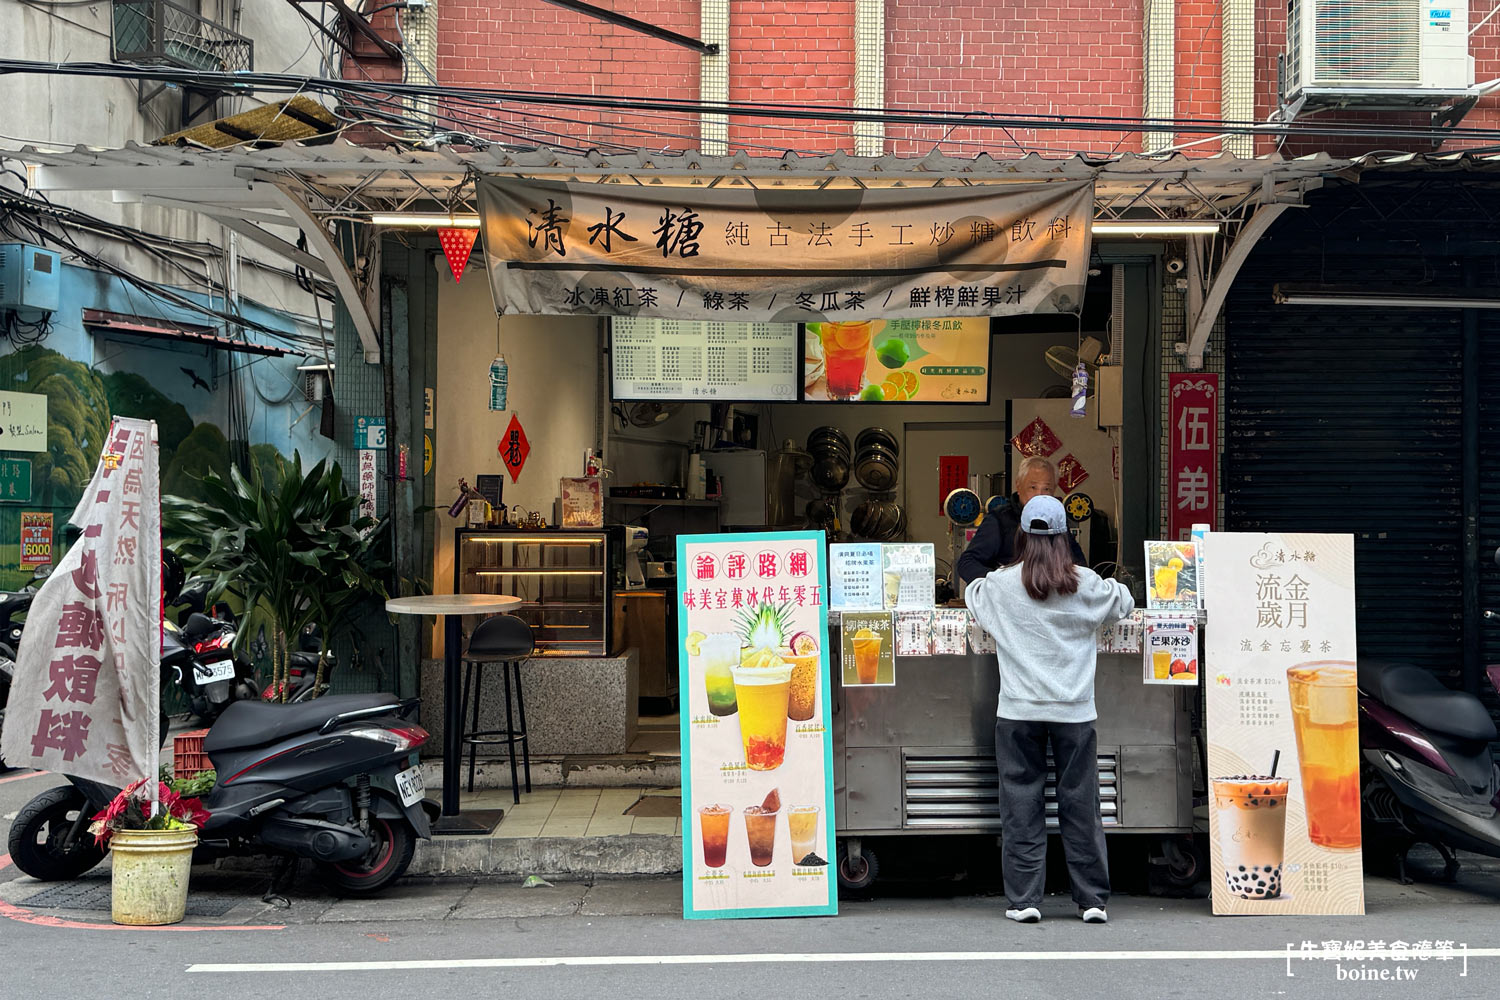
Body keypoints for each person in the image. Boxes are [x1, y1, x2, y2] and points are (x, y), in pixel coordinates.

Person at [965, 494, 1135, 925]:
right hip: (1075, 712)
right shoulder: (1086, 583)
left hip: (1018, 711)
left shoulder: (1001, 585)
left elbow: (972, 592)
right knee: (1081, 803)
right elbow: (1124, 601)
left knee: (1021, 805)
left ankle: (1024, 901)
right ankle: (1092, 899)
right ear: (1066, 537)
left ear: (1021, 534)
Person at [956, 455, 1085, 587]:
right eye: (1033, 488)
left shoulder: (1057, 520)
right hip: (1007, 598)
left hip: (1051, 599)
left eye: (1046, 489)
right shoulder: (1000, 519)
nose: (1039, 495)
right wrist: (1000, 583)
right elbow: (967, 562)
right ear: (1018, 486)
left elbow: (1079, 566)